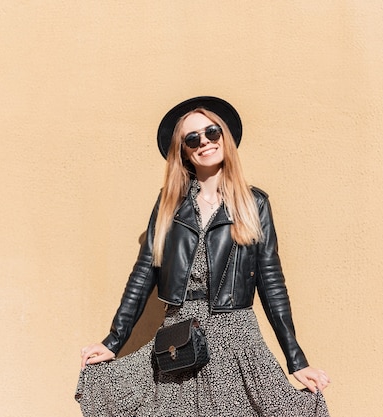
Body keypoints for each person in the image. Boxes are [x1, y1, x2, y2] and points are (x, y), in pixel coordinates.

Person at [75, 96, 331, 417]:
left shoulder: (254, 204)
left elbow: (272, 284)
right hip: (179, 337)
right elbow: (144, 273)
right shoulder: (169, 205)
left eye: (212, 132)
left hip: (235, 337)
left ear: (224, 135)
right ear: (183, 151)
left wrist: (297, 361)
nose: (205, 143)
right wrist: (113, 341)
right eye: (192, 138)